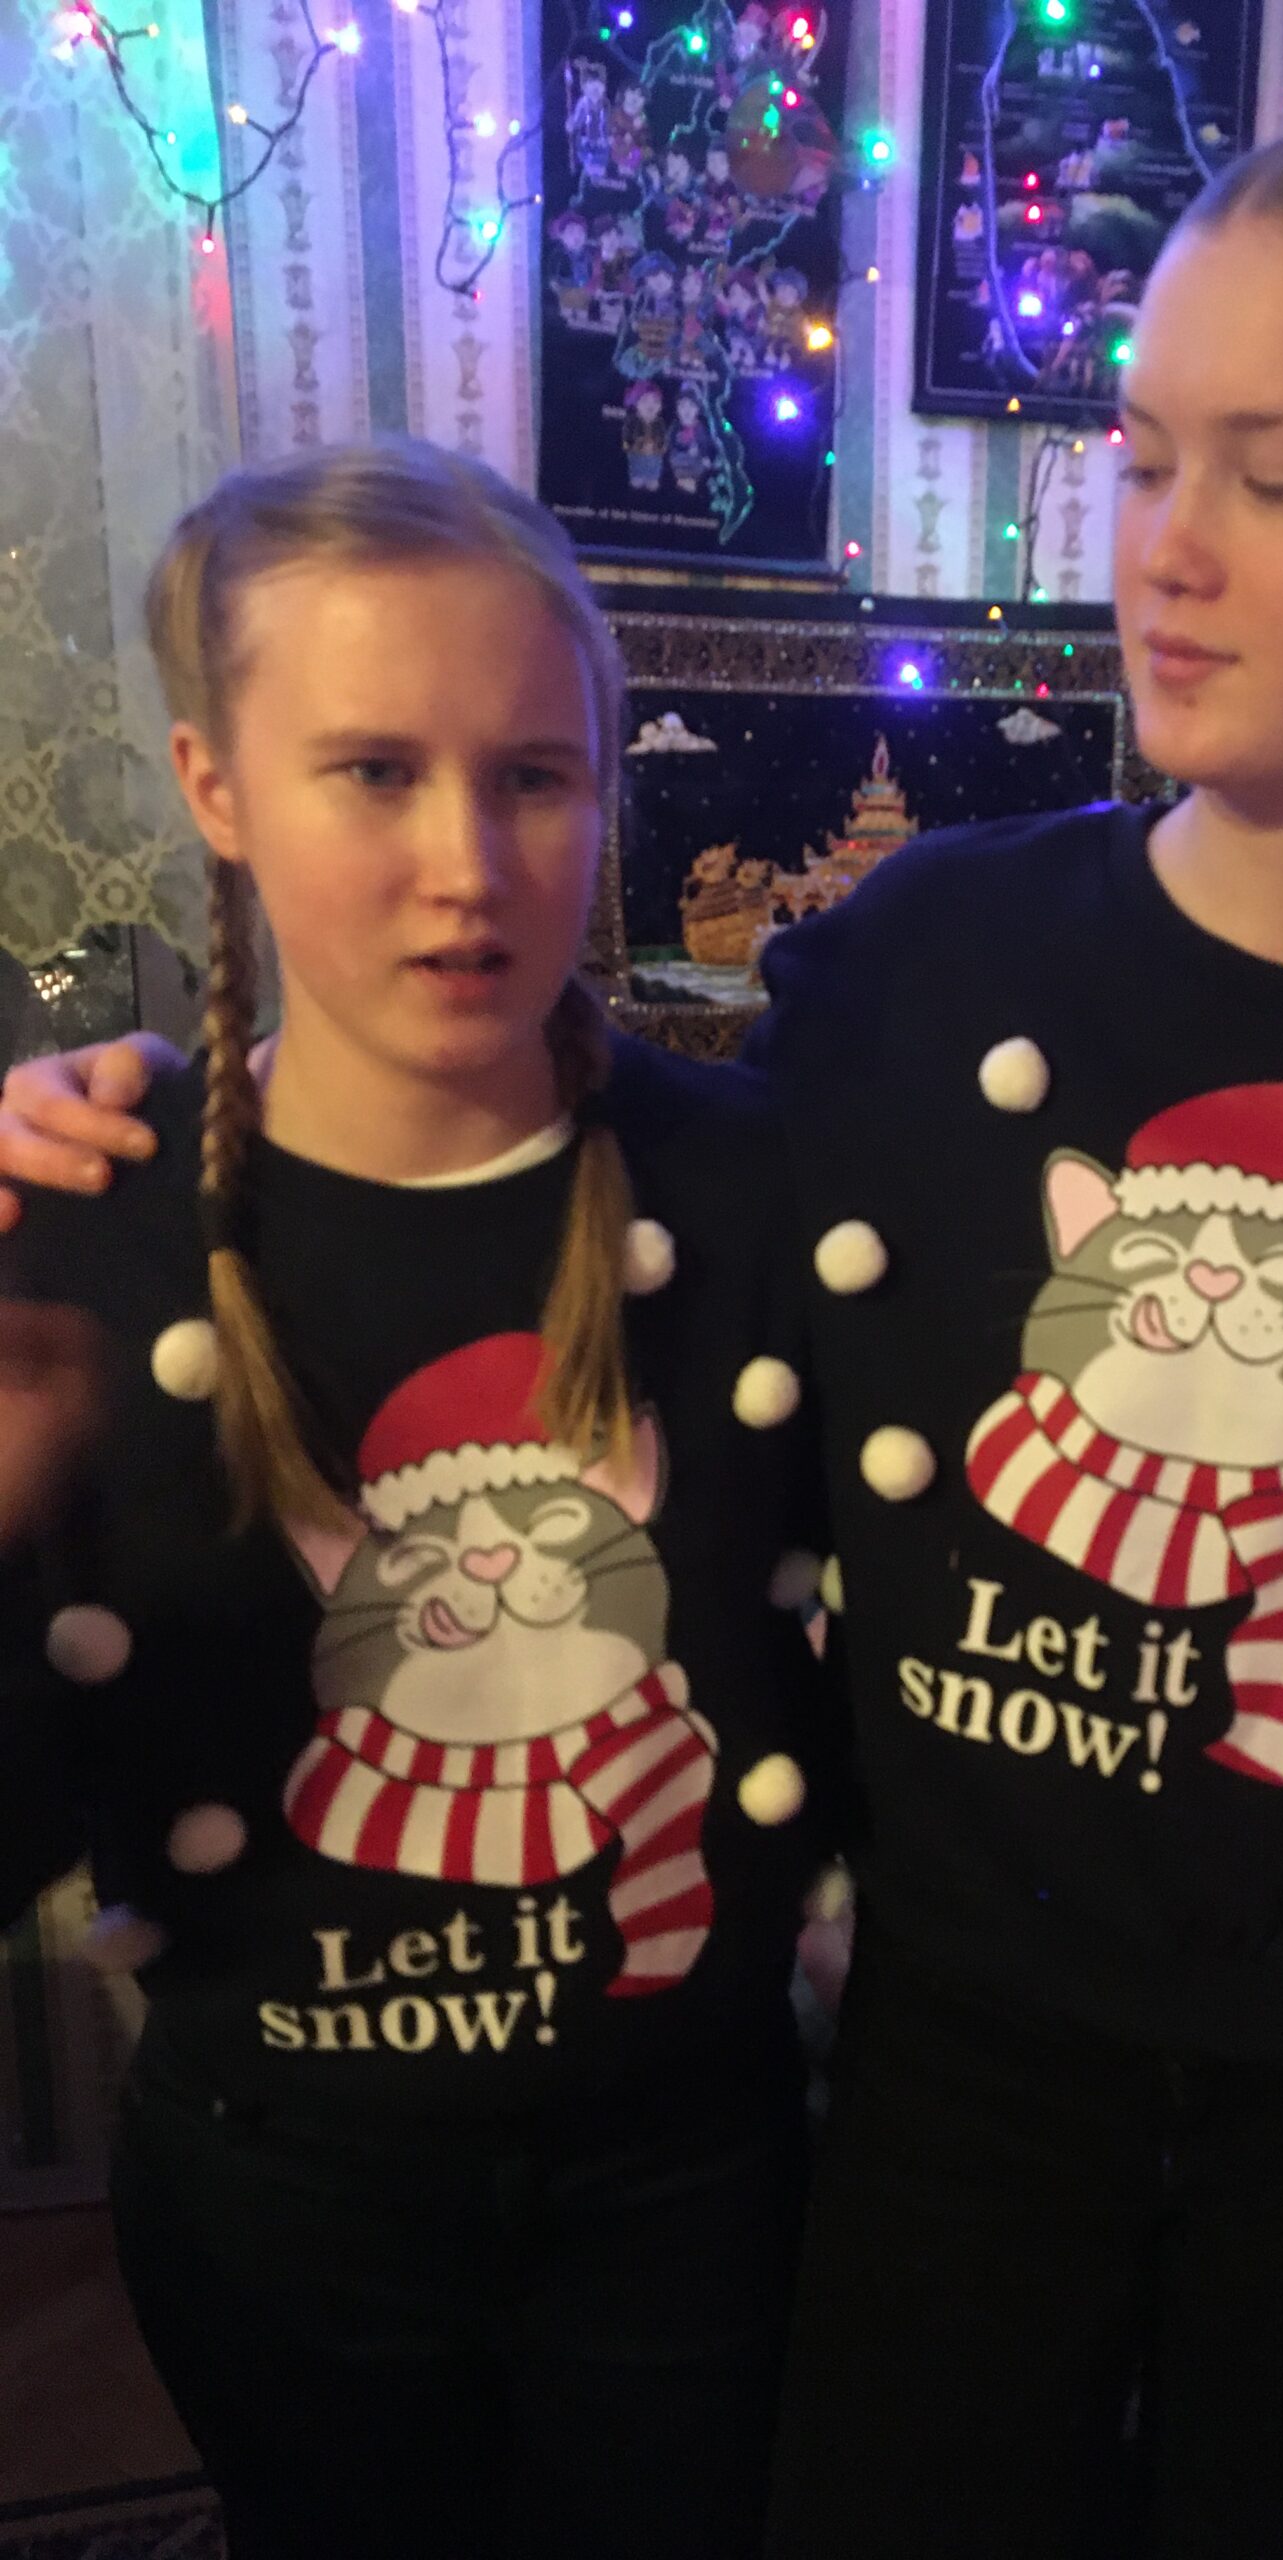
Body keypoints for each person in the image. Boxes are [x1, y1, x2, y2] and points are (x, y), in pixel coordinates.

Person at [1, 131, 1283, 2560]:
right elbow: (496, 1171)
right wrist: (111, 1118)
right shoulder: (907, 974)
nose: (1167, 545)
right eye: (1144, 458)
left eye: (1272, 472)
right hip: (961, 2096)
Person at [0, 441, 834, 2560]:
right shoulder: (78, 1235)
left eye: (534, 776)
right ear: (215, 786)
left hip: (697, 2175)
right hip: (282, 2200)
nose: (467, 862)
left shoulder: (757, 1198)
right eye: (372, 771)